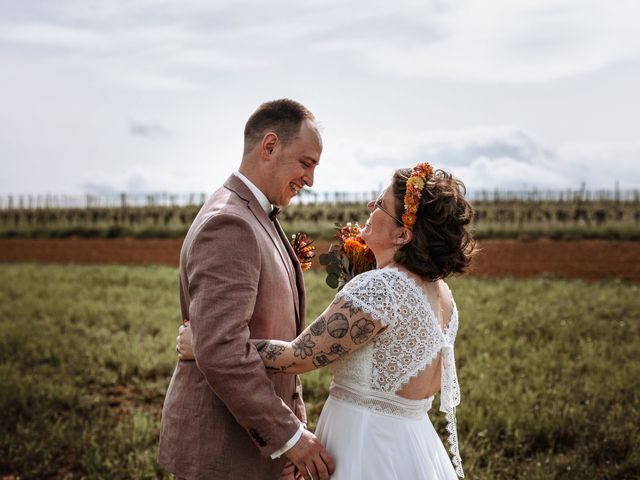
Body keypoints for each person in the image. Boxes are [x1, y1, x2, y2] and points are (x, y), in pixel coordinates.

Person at [179, 162, 475, 479]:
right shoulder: (442, 295)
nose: (369, 208)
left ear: (402, 234)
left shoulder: (381, 288)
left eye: (379, 206)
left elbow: (298, 357)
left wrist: (209, 346)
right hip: (414, 447)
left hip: (366, 446)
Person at [159, 99, 335, 480]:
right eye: (306, 163)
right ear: (269, 146)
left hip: (254, 449)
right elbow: (221, 349)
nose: (310, 180)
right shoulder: (230, 223)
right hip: (225, 452)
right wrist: (289, 437)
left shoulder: (255, 213)